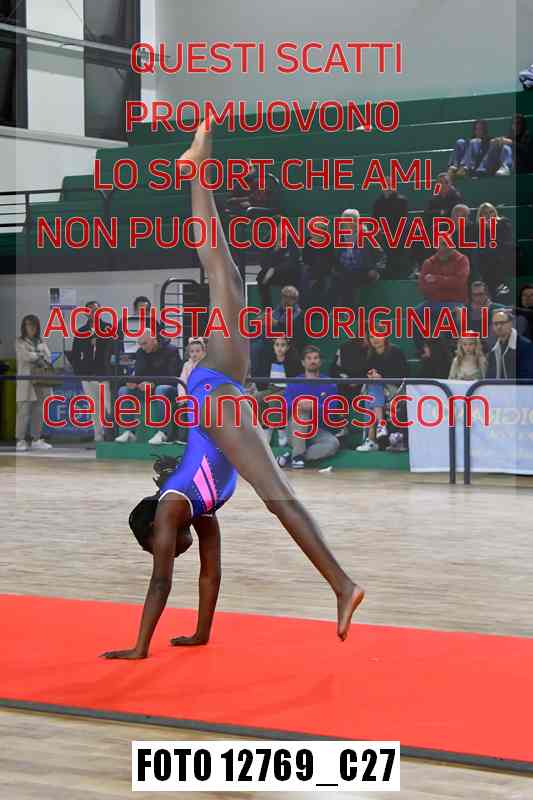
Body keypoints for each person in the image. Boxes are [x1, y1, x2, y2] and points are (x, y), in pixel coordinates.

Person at [101, 122, 364, 660]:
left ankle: (342, 585)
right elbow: (211, 575)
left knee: (279, 496)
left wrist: (139, 648)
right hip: (220, 390)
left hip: (216, 396)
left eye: (161, 548)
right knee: (225, 275)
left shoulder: (172, 509)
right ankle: (199, 169)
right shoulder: (201, 513)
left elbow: (161, 583)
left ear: (155, 533)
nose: (169, 553)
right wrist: (199, 634)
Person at [277, 344, 342, 468]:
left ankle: (293, 457)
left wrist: (314, 406)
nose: (313, 361)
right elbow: (285, 406)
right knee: (302, 412)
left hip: (318, 431)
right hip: (294, 430)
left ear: (320, 362)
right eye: (309, 358)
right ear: (303, 362)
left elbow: (332, 409)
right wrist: (299, 404)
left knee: (333, 444)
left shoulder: (329, 383)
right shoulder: (294, 382)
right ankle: (297, 456)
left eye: (316, 358)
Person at [114, 333, 182, 444]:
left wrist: (153, 383)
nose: (143, 347)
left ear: (154, 340)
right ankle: (129, 431)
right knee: (123, 391)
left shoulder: (171, 350)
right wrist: (133, 382)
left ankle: (163, 432)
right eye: (140, 344)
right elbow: (138, 373)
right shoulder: (141, 352)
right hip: (147, 387)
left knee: (160, 390)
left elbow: (173, 375)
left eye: (145, 343)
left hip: (169, 387)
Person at [70, 301, 114, 444]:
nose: (93, 313)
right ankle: (98, 436)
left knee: (108, 405)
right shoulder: (81, 331)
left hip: (104, 373)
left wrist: (98, 340)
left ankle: (111, 434)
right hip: (87, 374)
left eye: (96, 310)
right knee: (94, 407)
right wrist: (79, 372)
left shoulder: (108, 328)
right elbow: (75, 354)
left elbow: (114, 349)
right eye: (90, 310)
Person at [356, 335, 407, 452]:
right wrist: (370, 374)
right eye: (371, 337)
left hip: (395, 389)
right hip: (377, 391)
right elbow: (363, 372)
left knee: (371, 393)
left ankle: (372, 439)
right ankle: (380, 425)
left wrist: (382, 377)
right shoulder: (369, 354)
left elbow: (403, 375)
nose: (375, 340)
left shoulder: (395, 352)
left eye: (378, 336)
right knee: (373, 388)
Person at [15, 315, 53, 452]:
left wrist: (36, 355)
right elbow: (25, 356)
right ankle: (20, 440)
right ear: (24, 327)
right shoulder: (19, 341)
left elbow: (49, 356)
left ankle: (36, 439)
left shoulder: (41, 341)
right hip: (26, 381)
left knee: (38, 411)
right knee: (23, 411)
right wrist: (39, 355)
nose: (31, 328)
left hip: (40, 381)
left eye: (34, 325)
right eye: (28, 325)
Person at [255, 336, 301, 446]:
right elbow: (262, 377)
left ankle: (281, 429)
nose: (279, 348)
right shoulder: (268, 359)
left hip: (287, 389)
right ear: (273, 347)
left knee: (274, 399)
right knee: (255, 398)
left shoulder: (293, 361)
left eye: (283, 345)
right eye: (277, 345)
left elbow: (296, 382)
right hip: (271, 388)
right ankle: (265, 427)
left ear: (288, 347)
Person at [256, 222, 304, 307]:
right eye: (279, 229)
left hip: (290, 273)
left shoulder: (293, 242)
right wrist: (275, 251)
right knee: (261, 276)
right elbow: (263, 262)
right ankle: (267, 307)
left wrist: (274, 269)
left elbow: (291, 263)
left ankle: (290, 307)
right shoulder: (268, 242)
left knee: (292, 276)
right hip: (274, 274)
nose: (281, 232)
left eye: (285, 230)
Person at [472, 202, 514, 297]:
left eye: (491, 212)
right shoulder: (477, 227)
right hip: (485, 259)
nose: (488, 215)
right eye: (485, 213)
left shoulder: (503, 223)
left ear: (495, 213)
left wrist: (491, 229)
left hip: (501, 256)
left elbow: (506, 241)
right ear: (480, 215)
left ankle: (495, 289)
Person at [372, 179, 409, 277]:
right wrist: (379, 229)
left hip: (397, 231)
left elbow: (404, 219)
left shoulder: (402, 201)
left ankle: (396, 270)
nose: (388, 187)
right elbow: (374, 220)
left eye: (390, 184)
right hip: (383, 232)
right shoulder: (378, 202)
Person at [486, 310, 533, 379]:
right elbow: (490, 376)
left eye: (502, 323)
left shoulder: (525, 345)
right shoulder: (493, 349)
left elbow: (527, 376)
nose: (499, 326)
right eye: (496, 324)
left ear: (511, 323)